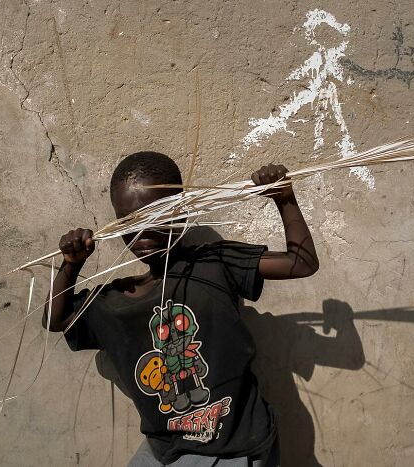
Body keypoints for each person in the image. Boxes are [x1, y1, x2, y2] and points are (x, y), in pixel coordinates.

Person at [43, 151, 319, 466]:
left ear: (182, 213)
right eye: (130, 220)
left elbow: (301, 263)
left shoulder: (214, 263)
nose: (143, 233)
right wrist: (71, 265)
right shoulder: (114, 301)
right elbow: (56, 318)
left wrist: (284, 199)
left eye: (156, 216)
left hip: (236, 447)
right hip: (166, 451)